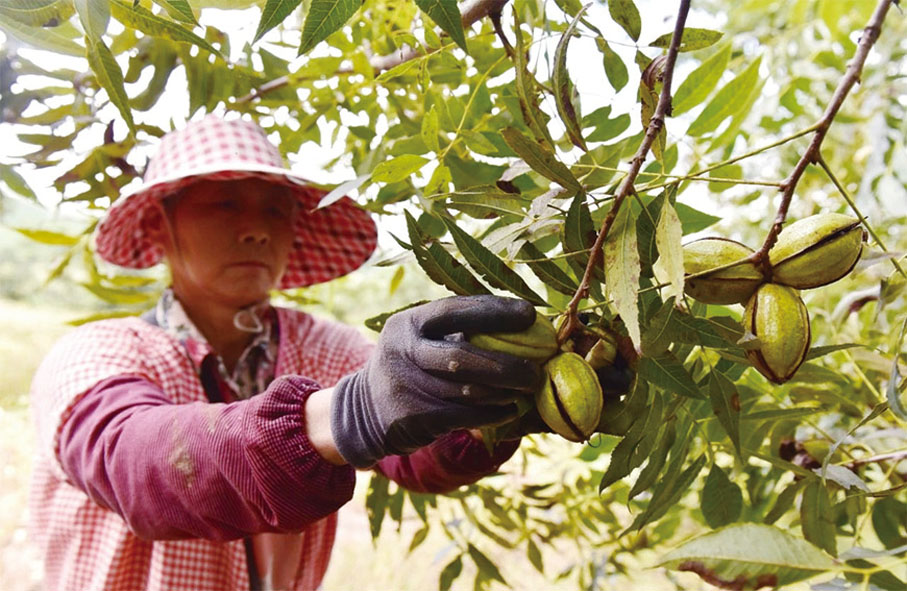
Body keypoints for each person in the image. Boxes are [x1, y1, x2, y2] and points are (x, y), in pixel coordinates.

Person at [28, 115, 544, 591]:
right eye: (224, 203)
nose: (256, 229)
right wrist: (346, 414)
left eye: (276, 209)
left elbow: (416, 451)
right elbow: (132, 463)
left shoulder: (321, 346)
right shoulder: (99, 352)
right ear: (161, 225)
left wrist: (498, 405)